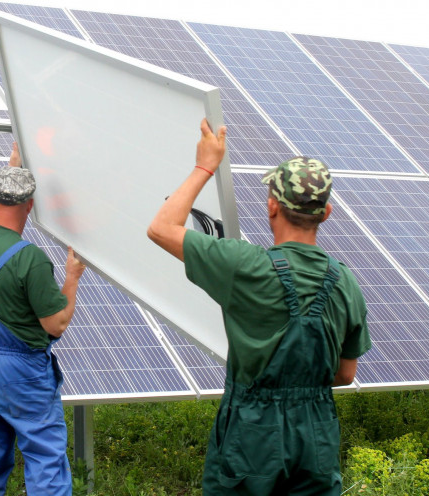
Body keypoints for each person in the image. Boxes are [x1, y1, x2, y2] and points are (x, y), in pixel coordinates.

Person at [147, 119, 371, 495]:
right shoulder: (346, 282)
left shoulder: (245, 266)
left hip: (254, 433)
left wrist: (205, 166)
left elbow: (162, 228)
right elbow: (345, 375)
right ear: (326, 213)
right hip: (316, 435)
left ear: (272, 207)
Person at [0, 144, 86, 495]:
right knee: (44, 455)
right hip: (21, 373)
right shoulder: (31, 260)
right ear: (30, 206)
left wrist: (7, 169)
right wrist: (72, 277)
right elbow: (55, 324)